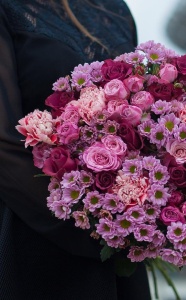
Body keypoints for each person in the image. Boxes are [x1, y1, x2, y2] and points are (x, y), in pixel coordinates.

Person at [0, 0, 151, 299]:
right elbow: (2, 143)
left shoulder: (116, 11)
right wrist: (93, 229)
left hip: (117, 249)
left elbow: (138, 118)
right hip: (29, 238)